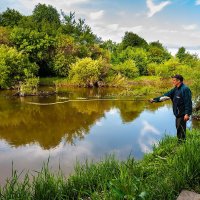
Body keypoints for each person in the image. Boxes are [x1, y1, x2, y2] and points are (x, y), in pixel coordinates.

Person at [150, 74, 192, 142]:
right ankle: (181, 142)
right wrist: (155, 100)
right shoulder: (175, 89)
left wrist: (187, 114)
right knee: (178, 128)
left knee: (180, 129)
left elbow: (188, 102)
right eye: (173, 80)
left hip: (182, 113)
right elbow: (165, 96)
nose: (173, 81)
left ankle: (181, 144)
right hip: (177, 113)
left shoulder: (185, 89)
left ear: (179, 81)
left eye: (174, 80)